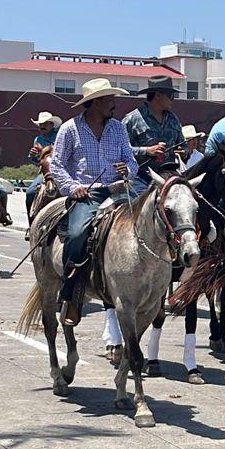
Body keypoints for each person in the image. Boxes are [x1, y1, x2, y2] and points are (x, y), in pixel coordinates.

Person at [48, 78, 138, 326]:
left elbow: (131, 161)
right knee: (77, 233)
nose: (114, 104)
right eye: (110, 99)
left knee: (151, 222)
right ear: (96, 102)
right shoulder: (69, 129)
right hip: (87, 194)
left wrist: (127, 170)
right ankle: (71, 294)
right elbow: (56, 165)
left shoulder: (118, 128)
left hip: (118, 191)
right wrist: (72, 188)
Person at [122, 75, 185, 175]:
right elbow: (121, 150)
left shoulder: (174, 119)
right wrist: (147, 151)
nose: (173, 100)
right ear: (158, 95)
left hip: (170, 175)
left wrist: (183, 152)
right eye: (171, 96)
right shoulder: (132, 119)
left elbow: (183, 146)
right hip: (142, 176)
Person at [24, 111, 59, 214]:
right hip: (44, 172)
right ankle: (31, 222)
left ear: (52, 125)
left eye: (45, 123)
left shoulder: (59, 136)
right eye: (41, 124)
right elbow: (37, 161)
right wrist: (33, 155)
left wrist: (45, 150)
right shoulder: (37, 139)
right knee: (30, 193)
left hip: (60, 171)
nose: (42, 126)